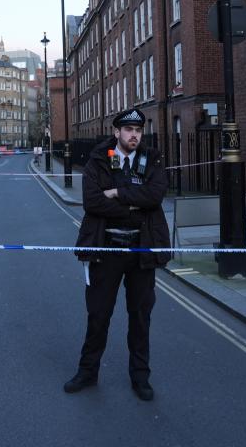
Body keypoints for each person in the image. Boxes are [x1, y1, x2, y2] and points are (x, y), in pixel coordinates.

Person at [64, 108, 170, 401]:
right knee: (98, 315)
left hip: (141, 250)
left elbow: (154, 197)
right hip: (106, 249)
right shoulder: (99, 158)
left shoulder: (153, 159)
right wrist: (133, 205)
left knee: (140, 316)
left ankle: (140, 377)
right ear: (117, 133)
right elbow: (93, 203)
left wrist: (117, 194)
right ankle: (88, 371)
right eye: (128, 130)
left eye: (138, 130)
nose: (134, 135)